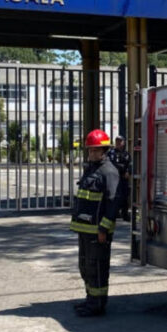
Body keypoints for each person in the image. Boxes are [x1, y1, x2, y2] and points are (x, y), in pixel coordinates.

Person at [71, 129, 120, 317]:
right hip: (84, 229)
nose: (91, 153)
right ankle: (90, 299)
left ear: (104, 150)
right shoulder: (91, 169)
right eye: (90, 150)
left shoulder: (109, 172)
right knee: (85, 266)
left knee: (97, 267)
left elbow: (113, 203)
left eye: (95, 150)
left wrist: (104, 229)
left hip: (98, 231)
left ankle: (97, 305)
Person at [109, 135, 132, 220]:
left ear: (123, 142)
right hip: (114, 178)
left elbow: (130, 164)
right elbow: (112, 164)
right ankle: (115, 213)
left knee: (125, 196)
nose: (118, 143)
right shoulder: (112, 153)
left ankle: (125, 214)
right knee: (114, 196)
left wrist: (128, 172)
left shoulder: (126, 154)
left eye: (120, 141)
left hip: (123, 179)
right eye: (117, 141)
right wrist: (122, 167)